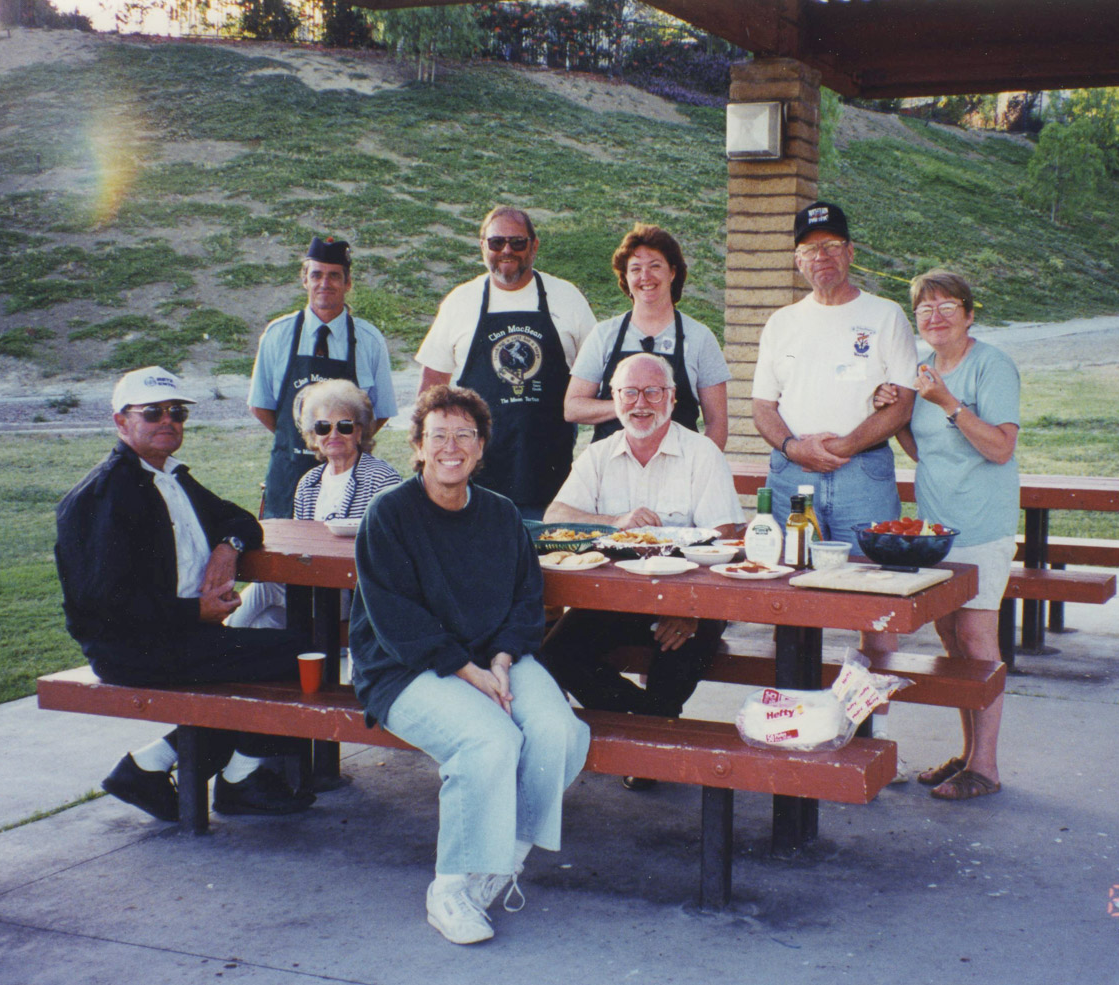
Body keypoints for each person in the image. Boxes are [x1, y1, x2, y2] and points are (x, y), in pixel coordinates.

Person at [349, 385, 590, 945]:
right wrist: (469, 672)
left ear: (481, 447)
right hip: (406, 666)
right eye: (438, 435)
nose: (451, 447)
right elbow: (395, 619)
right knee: (490, 740)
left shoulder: (502, 515)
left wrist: (501, 659)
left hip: (494, 655)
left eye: (464, 435)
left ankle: (500, 863)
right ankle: (450, 887)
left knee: (559, 732)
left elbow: (527, 601)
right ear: (417, 446)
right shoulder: (389, 514)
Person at [55, 366, 315, 820]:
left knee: (298, 651)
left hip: (181, 636)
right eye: (152, 412)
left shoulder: (171, 477)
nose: (167, 421)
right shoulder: (105, 496)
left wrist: (228, 547)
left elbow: (241, 520)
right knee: (301, 656)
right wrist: (195, 611)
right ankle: (241, 778)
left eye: (176, 412)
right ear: (121, 421)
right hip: (131, 648)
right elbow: (104, 605)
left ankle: (149, 766)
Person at [542, 354, 744, 783]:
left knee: (674, 660)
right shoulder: (598, 455)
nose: (640, 403)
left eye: (653, 392)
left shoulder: (701, 453)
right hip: (616, 602)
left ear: (672, 398)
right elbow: (555, 516)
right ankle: (652, 727)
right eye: (629, 392)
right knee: (556, 652)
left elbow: (725, 538)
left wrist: (691, 611)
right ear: (614, 399)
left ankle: (646, 746)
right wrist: (615, 521)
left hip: (692, 604)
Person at [751, 200, 917, 662]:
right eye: (809, 249)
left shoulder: (885, 316)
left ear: (849, 251)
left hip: (862, 474)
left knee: (876, 599)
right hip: (792, 476)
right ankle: (792, 697)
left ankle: (874, 702)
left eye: (830, 245)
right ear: (797, 260)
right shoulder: (782, 322)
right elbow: (762, 406)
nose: (820, 256)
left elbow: (903, 403)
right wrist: (793, 447)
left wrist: (842, 446)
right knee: (788, 593)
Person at [880, 270, 1019, 801]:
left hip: (982, 525)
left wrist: (948, 403)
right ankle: (968, 753)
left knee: (978, 641)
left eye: (946, 307)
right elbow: (925, 451)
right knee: (952, 639)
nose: (934, 317)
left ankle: (986, 767)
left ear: (969, 314)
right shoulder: (922, 370)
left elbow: (1000, 448)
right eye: (924, 309)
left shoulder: (991, 365)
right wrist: (893, 414)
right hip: (936, 529)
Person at [414, 206, 597, 520]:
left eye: (517, 242)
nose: (507, 250)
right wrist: (426, 454)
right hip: (475, 476)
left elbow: (599, 371)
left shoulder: (566, 298)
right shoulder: (461, 301)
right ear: (482, 246)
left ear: (534, 246)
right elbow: (431, 385)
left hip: (551, 476)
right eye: (497, 242)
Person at [227, 378, 401, 630]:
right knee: (264, 621)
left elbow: (392, 550)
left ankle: (221, 642)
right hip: (310, 586)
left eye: (344, 426)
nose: (333, 435)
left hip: (356, 592)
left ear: (359, 431)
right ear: (313, 435)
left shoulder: (382, 478)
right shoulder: (308, 483)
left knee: (267, 587)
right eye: (323, 427)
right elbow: (300, 546)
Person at [248, 236, 398, 518]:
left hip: (349, 480)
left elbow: (381, 411)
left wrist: (344, 442)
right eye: (316, 275)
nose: (324, 283)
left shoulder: (369, 340)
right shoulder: (277, 335)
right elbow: (260, 406)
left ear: (348, 282)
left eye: (334, 276)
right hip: (289, 475)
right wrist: (307, 439)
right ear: (305, 279)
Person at [563, 223, 730, 449]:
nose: (645, 276)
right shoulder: (604, 335)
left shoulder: (700, 337)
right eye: (635, 269)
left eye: (655, 266)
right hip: (613, 465)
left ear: (672, 272)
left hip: (678, 466)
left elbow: (717, 423)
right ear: (625, 277)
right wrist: (629, 406)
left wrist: (702, 465)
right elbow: (573, 408)